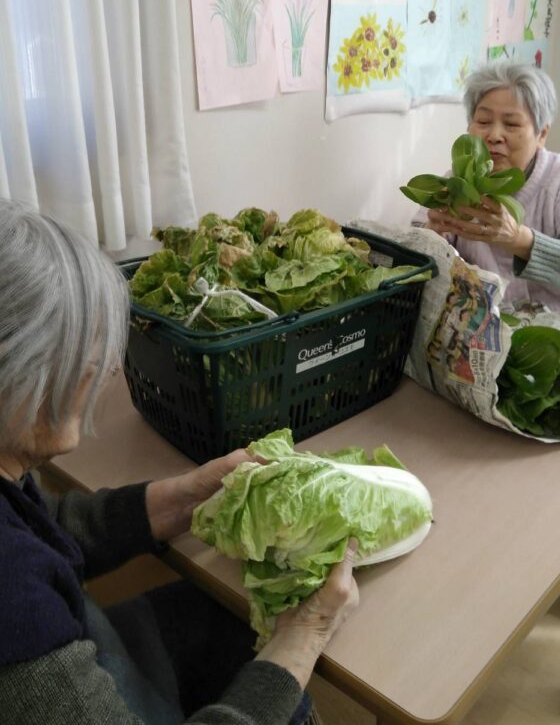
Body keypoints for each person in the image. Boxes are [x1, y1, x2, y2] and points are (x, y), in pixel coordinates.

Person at [0, 199, 359, 725]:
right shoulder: (11, 597)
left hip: (89, 644)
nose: (102, 373)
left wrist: (182, 499)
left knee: (227, 619)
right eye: (80, 354)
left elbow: (38, 532)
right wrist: (306, 636)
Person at [414, 62, 560, 317]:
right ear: (469, 127)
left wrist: (518, 239)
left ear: (542, 134)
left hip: (556, 338)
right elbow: (412, 256)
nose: (495, 135)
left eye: (511, 124)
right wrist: (431, 236)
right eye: (483, 121)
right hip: (478, 337)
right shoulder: (457, 183)